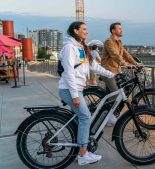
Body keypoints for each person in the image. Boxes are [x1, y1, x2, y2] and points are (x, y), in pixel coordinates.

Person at [58, 21, 115, 166]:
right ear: (76, 31)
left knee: (82, 117)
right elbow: (69, 72)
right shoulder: (70, 48)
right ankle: (83, 155)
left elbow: (94, 66)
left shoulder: (80, 48)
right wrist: (75, 96)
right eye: (84, 29)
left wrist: (112, 74)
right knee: (85, 117)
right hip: (69, 90)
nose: (86, 31)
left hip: (77, 89)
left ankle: (81, 148)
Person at [101, 22, 138, 125]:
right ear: (113, 30)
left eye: (121, 28)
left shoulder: (119, 42)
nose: (121, 30)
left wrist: (136, 64)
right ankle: (107, 116)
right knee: (116, 94)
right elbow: (115, 56)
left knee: (116, 93)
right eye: (119, 29)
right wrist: (126, 64)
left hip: (116, 72)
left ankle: (108, 114)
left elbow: (126, 54)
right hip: (107, 71)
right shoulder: (109, 42)